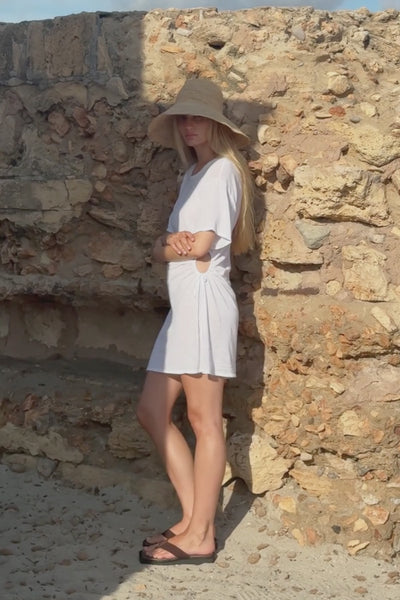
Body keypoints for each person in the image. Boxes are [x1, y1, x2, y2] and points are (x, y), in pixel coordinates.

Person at [136, 78, 255, 565]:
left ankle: (201, 535)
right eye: (183, 117)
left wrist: (173, 245)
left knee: (205, 420)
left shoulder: (224, 171)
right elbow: (158, 248)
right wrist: (170, 244)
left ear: (216, 124)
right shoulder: (193, 174)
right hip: (183, 309)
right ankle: (191, 519)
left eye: (198, 117)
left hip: (204, 303)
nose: (189, 125)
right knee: (152, 410)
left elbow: (200, 247)